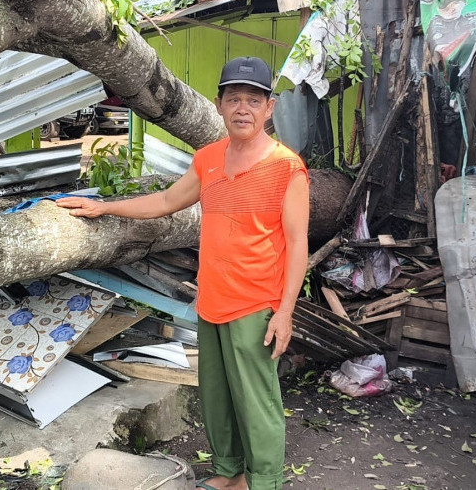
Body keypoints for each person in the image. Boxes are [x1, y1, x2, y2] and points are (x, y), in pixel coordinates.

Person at [56, 56, 310, 490]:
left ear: (269, 108)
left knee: (255, 400)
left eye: (254, 100)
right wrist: (104, 206)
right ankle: (229, 472)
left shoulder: (287, 169)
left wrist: (285, 312)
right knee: (217, 395)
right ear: (219, 105)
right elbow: (165, 202)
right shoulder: (209, 158)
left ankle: (262, 480)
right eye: (234, 99)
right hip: (212, 300)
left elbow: (298, 244)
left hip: (256, 304)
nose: (243, 108)